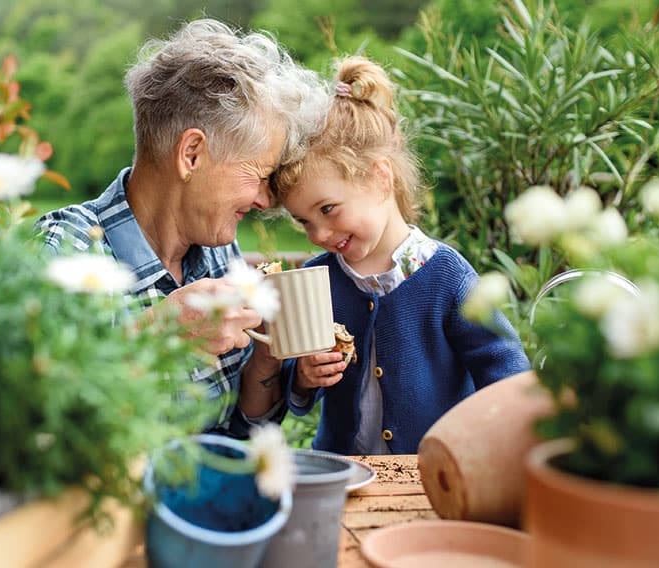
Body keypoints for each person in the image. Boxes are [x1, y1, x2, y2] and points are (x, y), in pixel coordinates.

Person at [35, 19, 330, 438]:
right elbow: (28, 410)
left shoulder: (214, 252)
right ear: (191, 154)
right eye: (259, 175)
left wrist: (266, 357)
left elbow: (239, 434)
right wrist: (158, 335)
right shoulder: (68, 248)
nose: (265, 201)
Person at [269, 56, 533, 455]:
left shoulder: (446, 276)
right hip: (343, 473)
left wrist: (496, 441)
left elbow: (503, 367)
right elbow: (295, 379)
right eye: (304, 222)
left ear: (380, 177)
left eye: (327, 209)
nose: (319, 234)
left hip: (431, 475)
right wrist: (304, 376)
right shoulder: (317, 279)